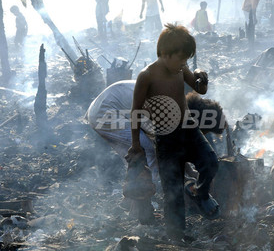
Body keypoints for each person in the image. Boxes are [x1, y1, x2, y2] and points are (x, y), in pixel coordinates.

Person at [85, 80, 226, 226]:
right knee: (146, 151)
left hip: (107, 108)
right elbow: (162, 150)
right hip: (105, 112)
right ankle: (142, 206)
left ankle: (131, 203)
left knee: (139, 156)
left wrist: (189, 173)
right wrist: (187, 178)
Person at [128, 23, 220, 241]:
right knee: (173, 190)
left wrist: (200, 75)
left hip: (189, 130)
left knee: (210, 162)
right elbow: (135, 111)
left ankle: (201, 193)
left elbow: (199, 88)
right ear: (165, 54)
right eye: (180, 58)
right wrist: (136, 144)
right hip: (166, 138)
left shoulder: (179, 69)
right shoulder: (147, 76)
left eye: (186, 60)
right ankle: (177, 235)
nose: (183, 64)